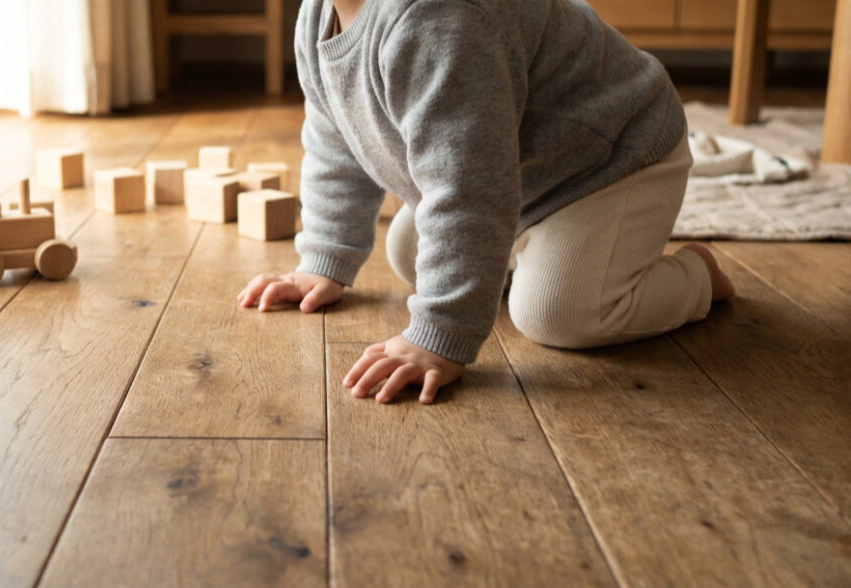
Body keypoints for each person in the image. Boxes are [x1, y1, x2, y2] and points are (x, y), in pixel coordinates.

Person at [237, 0, 735, 404]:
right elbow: (336, 140)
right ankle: (530, 248)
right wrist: (325, 256)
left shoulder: (440, 18)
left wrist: (440, 334)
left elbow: (468, 192)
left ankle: (696, 278)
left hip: (613, 157)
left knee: (554, 313)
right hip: (520, 173)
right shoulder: (316, 17)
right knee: (410, 252)